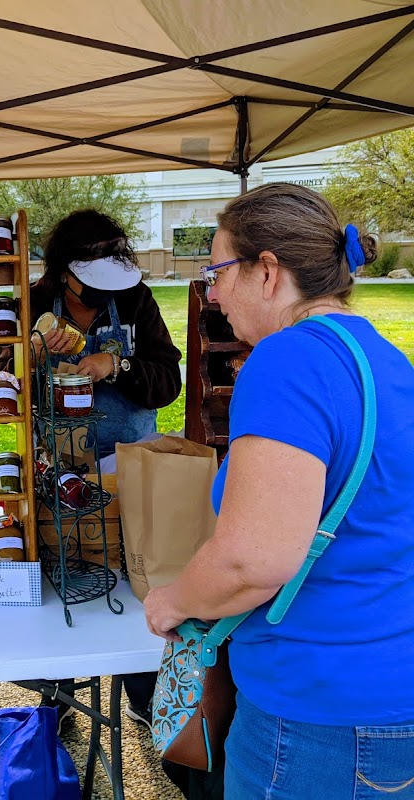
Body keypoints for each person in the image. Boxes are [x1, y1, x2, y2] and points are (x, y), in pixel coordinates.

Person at [145, 183, 414, 798]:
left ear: (267, 271)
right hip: (390, 689)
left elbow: (251, 560)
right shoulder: (383, 358)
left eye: (217, 270)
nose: (211, 292)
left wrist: (174, 600)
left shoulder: (287, 359)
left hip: (319, 711)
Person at [0, 209, 182, 730]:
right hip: (59, 467)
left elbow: (168, 381)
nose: (100, 297)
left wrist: (115, 365)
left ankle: (144, 695)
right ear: (62, 272)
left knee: (131, 578)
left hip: (130, 471)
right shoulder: (31, 302)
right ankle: (58, 696)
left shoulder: (136, 300)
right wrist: (27, 358)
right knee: (63, 577)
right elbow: (1, 384)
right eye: (89, 286)